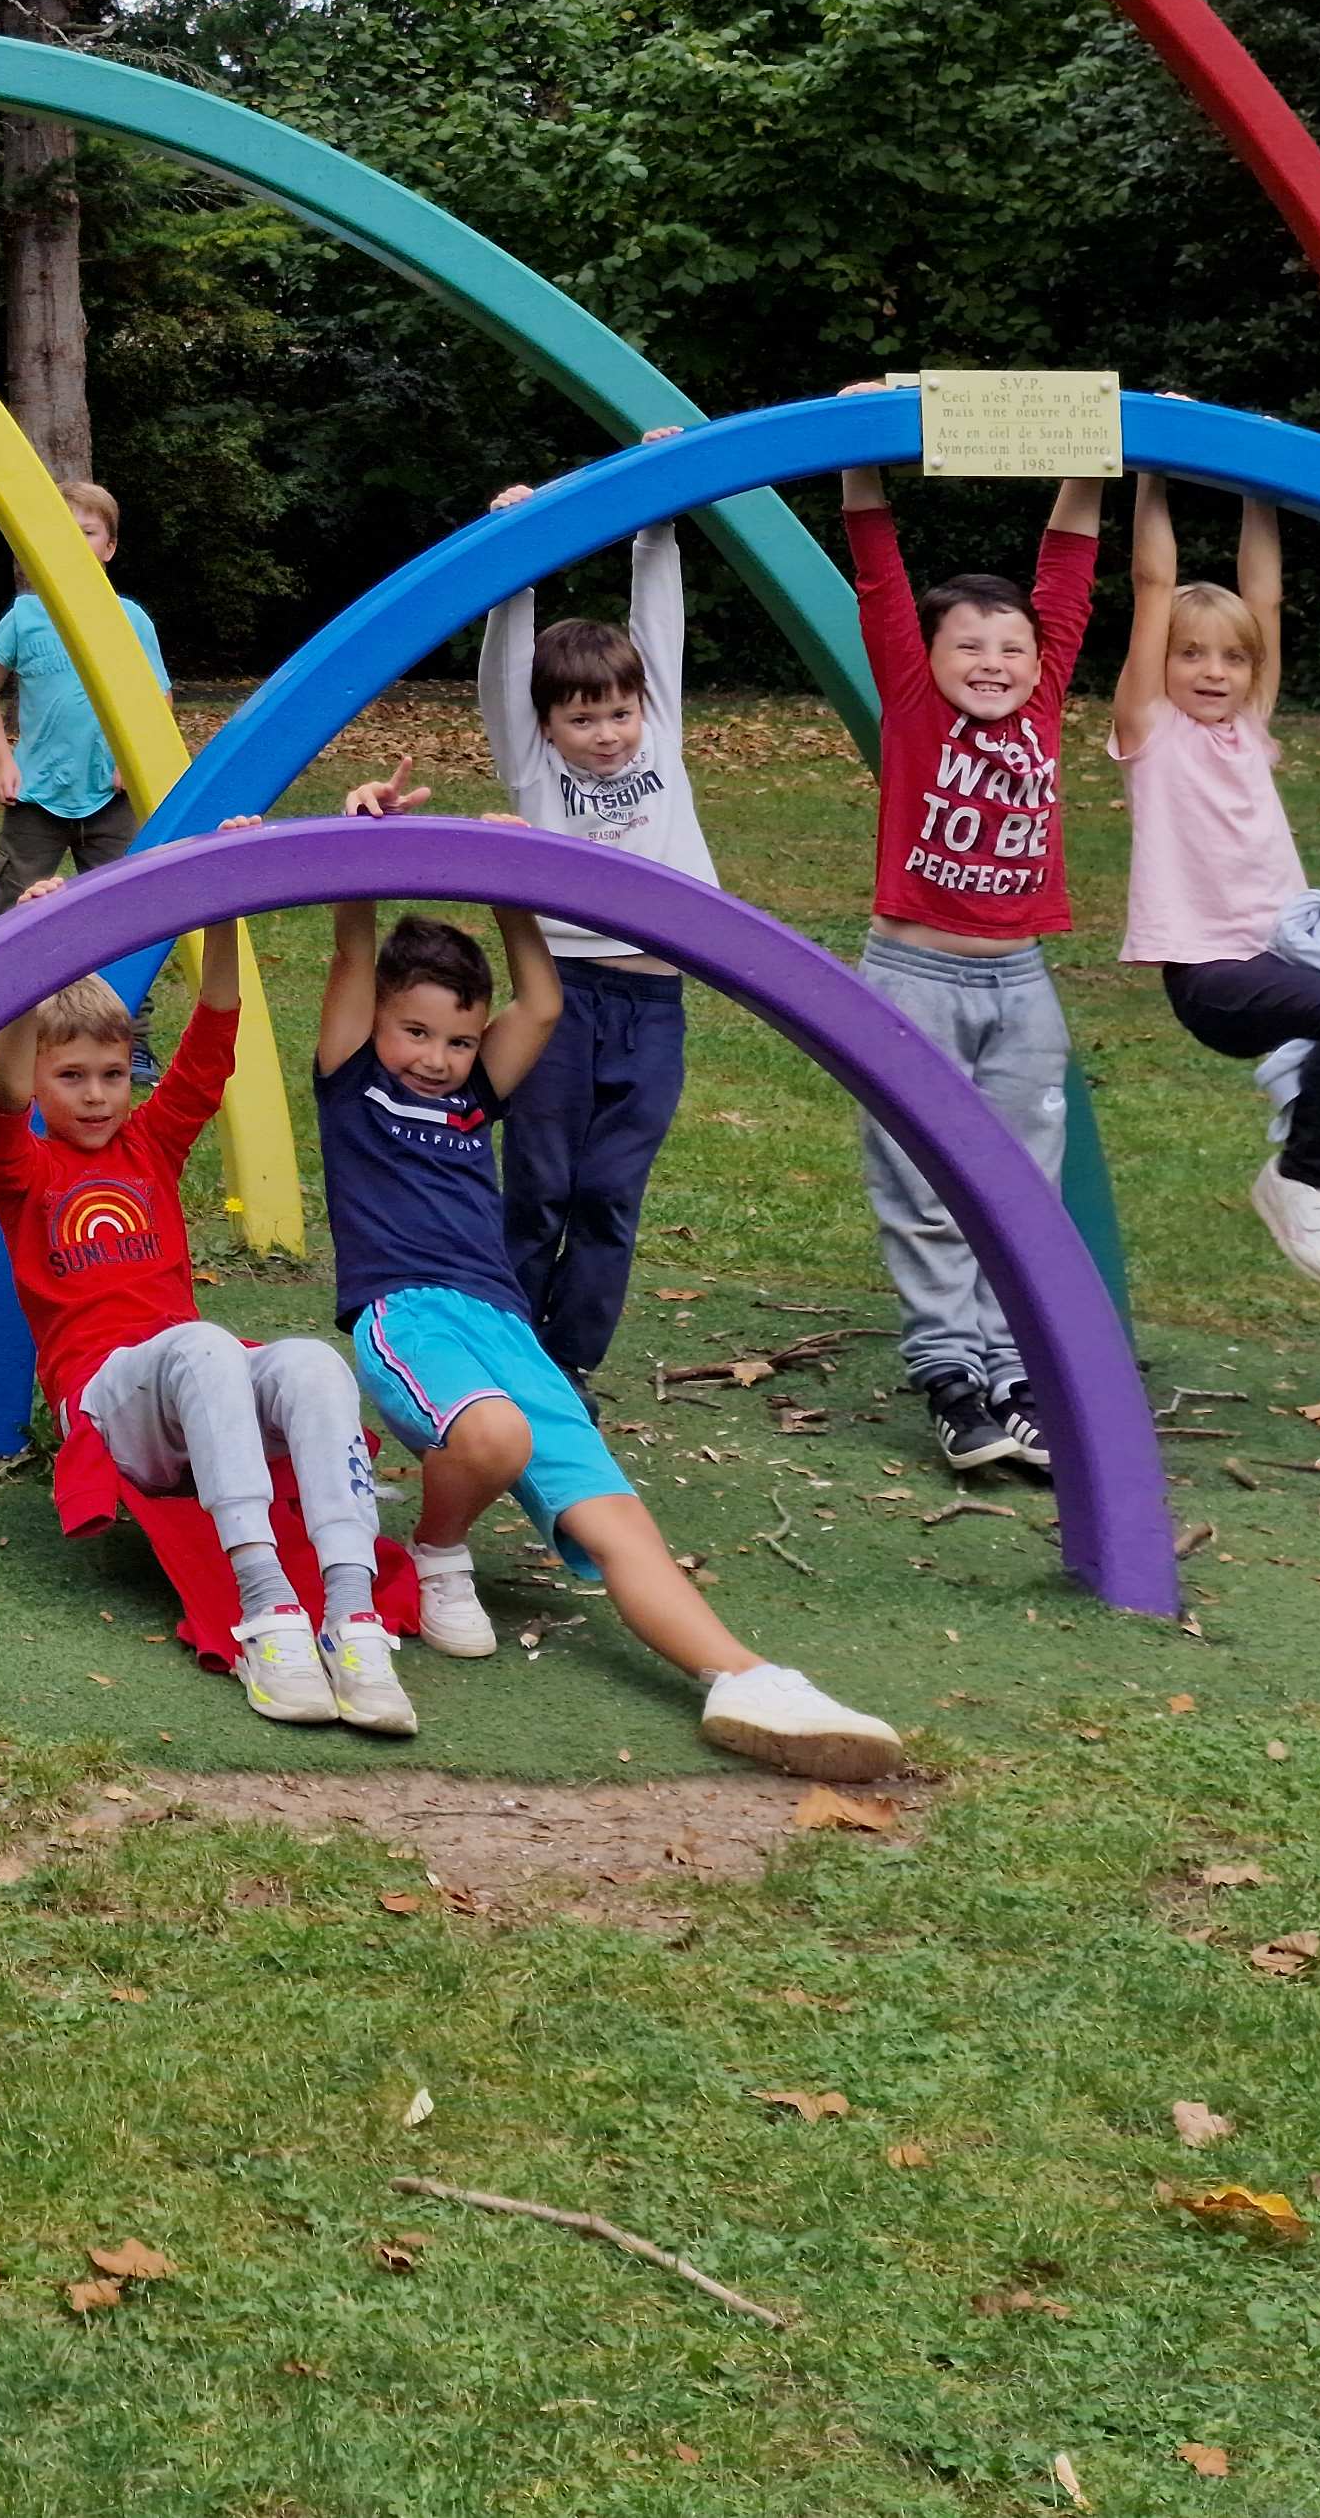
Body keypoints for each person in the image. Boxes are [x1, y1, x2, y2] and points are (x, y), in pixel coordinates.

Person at [304, 831, 905, 1777]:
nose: (437, 1058)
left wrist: (509, 886)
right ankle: (436, 1553)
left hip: (504, 1328)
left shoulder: (474, 1101)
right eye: (415, 1032)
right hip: (411, 1316)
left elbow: (541, 1001)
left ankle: (744, 1678)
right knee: (494, 1438)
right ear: (378, 1020)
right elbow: (350, 952)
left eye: (459, 1040)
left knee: (618, 1519)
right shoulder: (354, 1086)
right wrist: (372, 850)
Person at [0, 926, 405, 1731]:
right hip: (108, 1404)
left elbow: (211, 1040)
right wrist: (31, 974)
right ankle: (267, 1608)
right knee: (202, 1344)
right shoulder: (23, 1170)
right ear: (36, 1077)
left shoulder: (150, 1145)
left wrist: (221, 916)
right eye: (70, 1077)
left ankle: (352, 1618)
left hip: (198, 1387)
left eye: (113, 1074)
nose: (98, 1095)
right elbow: (2, 1105)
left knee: (312, 1361)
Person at [837, 404, 1103, 1479]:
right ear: (930, 656)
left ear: (1040, 662)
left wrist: (1088, 447)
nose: (993, 662)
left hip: (1022, 982)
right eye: (969, 645)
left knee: (1019, 1189)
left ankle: (1013, 1374)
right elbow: (878, 575)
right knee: (919, 1185)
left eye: (1012, 646)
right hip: (913, 977)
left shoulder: (1039, 712)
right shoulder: (911, 695)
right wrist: (857, 458)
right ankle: (952, 1377)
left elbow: (1070, 569)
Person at [1114, 474, 1320, 1289]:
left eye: (1231, 657)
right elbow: (1154, 582)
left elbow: (1267, 596)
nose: (1214, 672)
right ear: (1162, 661)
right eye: (1190, 653)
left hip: (1288, 956)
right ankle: (1300, 1176)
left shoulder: (1250, 729)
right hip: (1213, 975)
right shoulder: (1153, 732)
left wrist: (1257, 489)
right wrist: (1153, 474)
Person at [471, 472, 716, 1375]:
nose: (608, 734)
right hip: (561, 998)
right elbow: (507, 669)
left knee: (610, 1191)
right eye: (583, 719)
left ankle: (568, 1365)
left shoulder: (661, 737)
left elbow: (658, 631)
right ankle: (508, 1354)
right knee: (539, 1186)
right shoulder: (532, 769)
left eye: (619, 712)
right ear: (545, 725)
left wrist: (658, 519)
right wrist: (518, 567)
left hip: (652, 1000)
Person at [0, 477, 158, 926]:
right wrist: (3, 761)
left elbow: (158, 697)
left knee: (125, 918)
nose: (75, 542)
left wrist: (132, 762)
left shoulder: (131, 620)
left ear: (109, 547)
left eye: (88, 532)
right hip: (36, 798)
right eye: (64, 533)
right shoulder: (24, 617)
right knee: (4, 916)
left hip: (113, 798)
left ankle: (127, 1001)